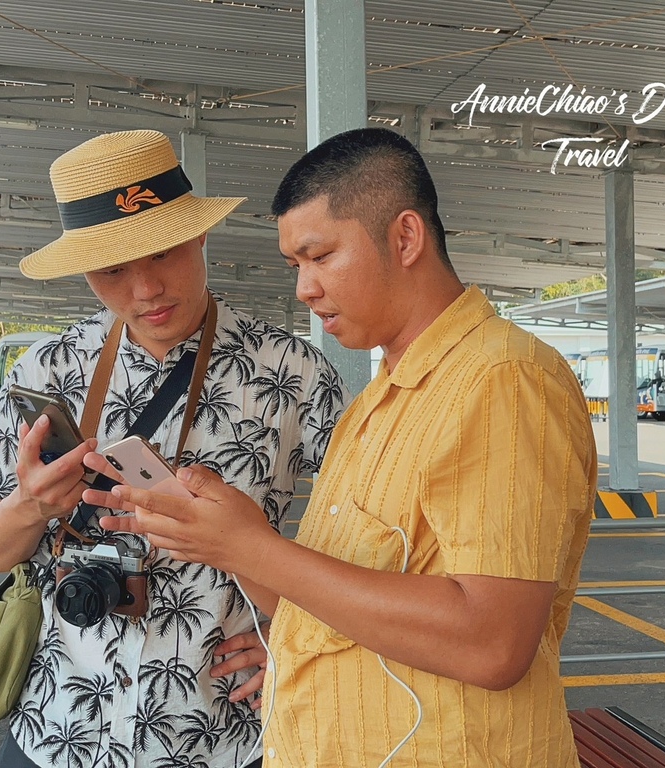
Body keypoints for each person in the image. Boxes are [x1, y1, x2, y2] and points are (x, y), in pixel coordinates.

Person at [94, 127, 598, 766]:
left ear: (405, 237)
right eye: (295, 266)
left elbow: (493, 643)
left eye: (321, 256)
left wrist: (252, 547)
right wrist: (235, 537)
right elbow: (316, 603)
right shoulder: (378, 397)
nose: (305, 289)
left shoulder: (503, 378)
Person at [0, 129, 347, 768]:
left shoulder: (293, 372)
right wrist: (30, 506)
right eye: (113, 269)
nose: (146, 289)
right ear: (84, 270)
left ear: (199, 236)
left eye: (164, 253)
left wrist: (307, 632)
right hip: (60, 725)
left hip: (221, 730)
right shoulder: (46, 370)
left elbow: (372, 541)